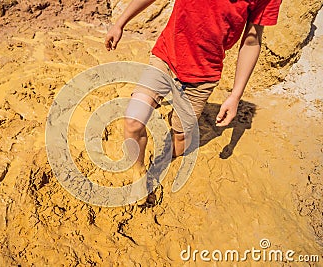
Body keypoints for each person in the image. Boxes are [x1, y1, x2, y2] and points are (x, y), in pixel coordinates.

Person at [104, 0, 282, 177]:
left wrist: (235, 96)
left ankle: (179, 129)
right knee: (133, 121)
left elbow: (252, 41)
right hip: (165, 57)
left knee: (179, 143)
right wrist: (120, 24)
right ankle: (138, 171)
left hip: (203, 76)